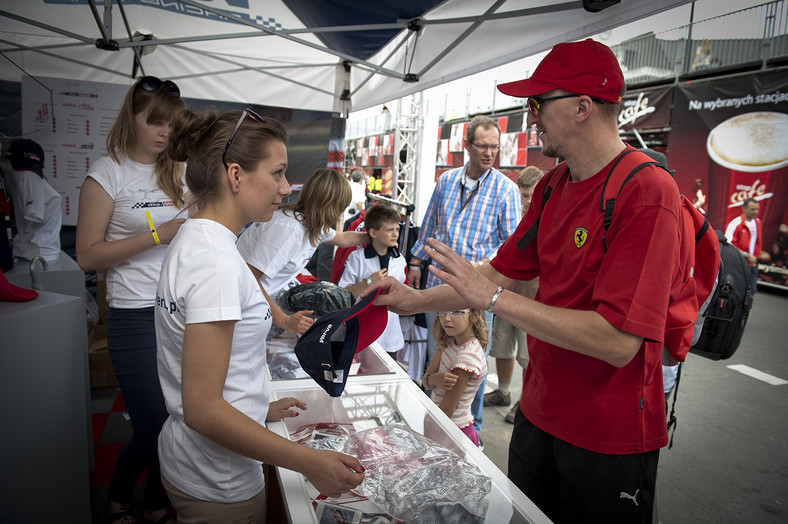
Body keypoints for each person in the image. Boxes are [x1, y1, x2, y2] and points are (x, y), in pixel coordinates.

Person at [365, 39, 686, 522]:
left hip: (607, 437)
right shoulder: (554, 185)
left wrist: (491, 299)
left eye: (537, 103)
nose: (529, 116)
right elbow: (496, 272)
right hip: (539, 415)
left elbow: (619, 341)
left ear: (582, 107)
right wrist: (411, 301)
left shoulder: (647, 192)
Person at [156, 108, 364, 522]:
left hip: (197, 462)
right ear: (235, 176)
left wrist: (257, 407)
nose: (287, 188)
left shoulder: (199, 241)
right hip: (218, 479)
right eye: (278, 173)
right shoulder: (215, 263)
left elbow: (206, 374)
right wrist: (306, 460)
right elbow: (202, 407)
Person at [75, 75, 187, 524]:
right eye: (155, 122)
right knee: (153, 424)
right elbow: (86, 254)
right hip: (132, 313)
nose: (164, 133)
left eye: (171, 124)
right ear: (131, 118)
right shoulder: (108, 171)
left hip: (178, 312)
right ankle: (120, 496)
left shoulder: (178, 171)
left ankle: (157, 502)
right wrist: (158, 234)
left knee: (179, 417)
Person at [408, 114, 520, 438]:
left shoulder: (506, 190)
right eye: (482, 146)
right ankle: (433, 433)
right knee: (438, 362)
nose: (489, 153)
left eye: (494, 148)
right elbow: (429, 226)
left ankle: (472, 437)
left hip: (474, 297)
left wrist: (480, 266)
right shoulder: (445, 181)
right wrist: (415, 264)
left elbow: (510, 248)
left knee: (471, 371)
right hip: (437, 290)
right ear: (466, 145)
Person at [235, 168, 369, 334]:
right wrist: (284, 320)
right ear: (327, 205)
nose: (339, 214)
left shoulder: (312, 223)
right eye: (339, 207)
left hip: (258, 304)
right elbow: (250, 279)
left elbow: (342, 239)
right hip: (243, 311)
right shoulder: (289, 230)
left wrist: (372, 236)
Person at [483, 166, 543, 425]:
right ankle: (504, 391)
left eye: (531, 195)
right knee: (502, 348)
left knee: (529, 356)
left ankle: (526, 400)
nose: (526, 200)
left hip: (533, 299)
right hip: (506, 293)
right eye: (524, 195)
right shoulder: (514, 216)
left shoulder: (548, 218)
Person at [338, 204, 406, 359]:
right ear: (373, 232)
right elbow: (343, 293)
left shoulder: (400, 260)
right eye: (389, 230)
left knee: (387, 381)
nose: (395, 234)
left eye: (397, 229)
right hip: (362, 331)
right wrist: (369, 281)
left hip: (390, 334)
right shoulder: (356, 258)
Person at [422, 308, 488, 447]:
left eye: (456, 312)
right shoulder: (448, 342)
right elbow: (426, 382)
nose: (446, 318)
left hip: (452, 432)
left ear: (475, 316)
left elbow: (447, 410)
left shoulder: (467, 357)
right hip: (439, 424)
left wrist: (431, 379)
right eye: (443, 311)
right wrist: (435, 379)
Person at [4, 138, 62, 264]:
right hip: (40, 253)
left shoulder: (13, 174)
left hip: (33, 249)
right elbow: (34, 215)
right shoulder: (29, 176)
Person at [725, 197, 761, 295]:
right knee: (735, 292)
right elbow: (728, 245)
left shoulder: (757, 222)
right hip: (738, 265)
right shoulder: (735, 224)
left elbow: (756, 242)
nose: (755, 212)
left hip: (752, 264)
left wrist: (756, 256)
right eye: (752, 209)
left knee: (751, 291)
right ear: (744, 208)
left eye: (757, 209)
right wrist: (747, 255)